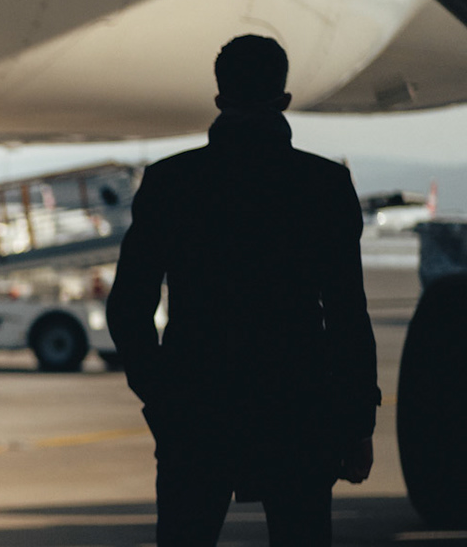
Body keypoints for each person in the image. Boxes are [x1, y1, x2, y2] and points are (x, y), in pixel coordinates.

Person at [106, 34, 378, 546]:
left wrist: (163, 400)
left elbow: (127, 308)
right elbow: (346, 313)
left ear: (219, 99)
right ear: (284, 99)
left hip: (197, 411)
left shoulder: (170, 182)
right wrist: (357, 422)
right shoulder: (323, 185)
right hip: (297, 412)